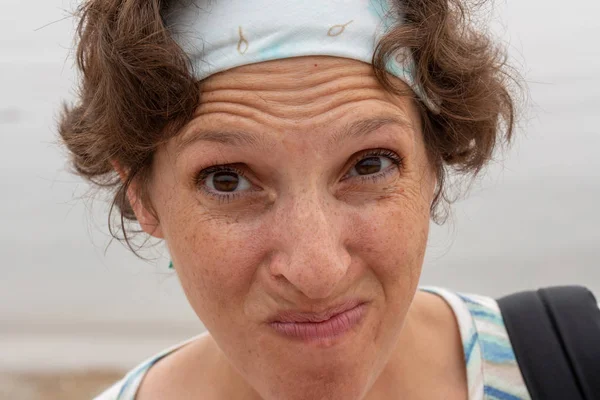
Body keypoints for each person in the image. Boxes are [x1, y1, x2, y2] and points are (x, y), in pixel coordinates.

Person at [58, 0, 536, 399]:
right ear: (142, 194)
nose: (317, 273)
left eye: (370, 165)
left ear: (433, 164)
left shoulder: (570, 365)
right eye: (226, 180)